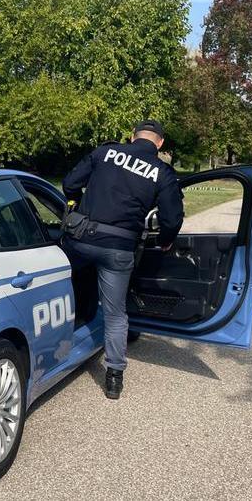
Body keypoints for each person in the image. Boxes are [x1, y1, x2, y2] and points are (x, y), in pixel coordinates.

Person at [62, 120, 184, 400]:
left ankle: (58, 338)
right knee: (116, 314)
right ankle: (114, 377)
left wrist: (74, 205)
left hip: (80, 240)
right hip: (119, 249)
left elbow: (70, 183)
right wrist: (165, 240)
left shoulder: (105, 152)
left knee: (60, 283)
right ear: (160, 143)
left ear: (132, 137)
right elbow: (172, 218)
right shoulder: (162, 173)